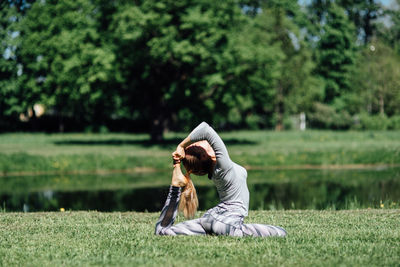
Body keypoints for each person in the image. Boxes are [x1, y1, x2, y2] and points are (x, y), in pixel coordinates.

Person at [155, 122, 287, 237]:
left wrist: (177, 165)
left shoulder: (216, 170)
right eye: (202, 144)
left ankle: (175, 186)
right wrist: (181, 145)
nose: (205, 142)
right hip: (225, 222)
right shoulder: (223, 166)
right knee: (281, 232)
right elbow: (205, 130)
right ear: (205, 154)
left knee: (163, 231)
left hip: (208, 219)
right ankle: (239, 230)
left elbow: (204, 134)